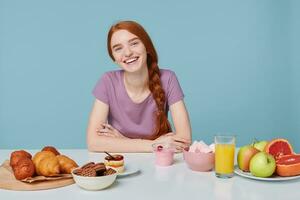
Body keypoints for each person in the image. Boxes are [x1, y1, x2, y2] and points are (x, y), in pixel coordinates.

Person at [87, 20, 191, 152]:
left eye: (134, 43)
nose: (128, 53)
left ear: (146, 47)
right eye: (118, 48)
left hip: (161, 162)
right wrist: (155, 145)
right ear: (114, 57)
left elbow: (184, 140)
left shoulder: (168, 78)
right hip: (123, 164)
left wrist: (123, 142)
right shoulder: (108, 81)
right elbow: (93, 142)